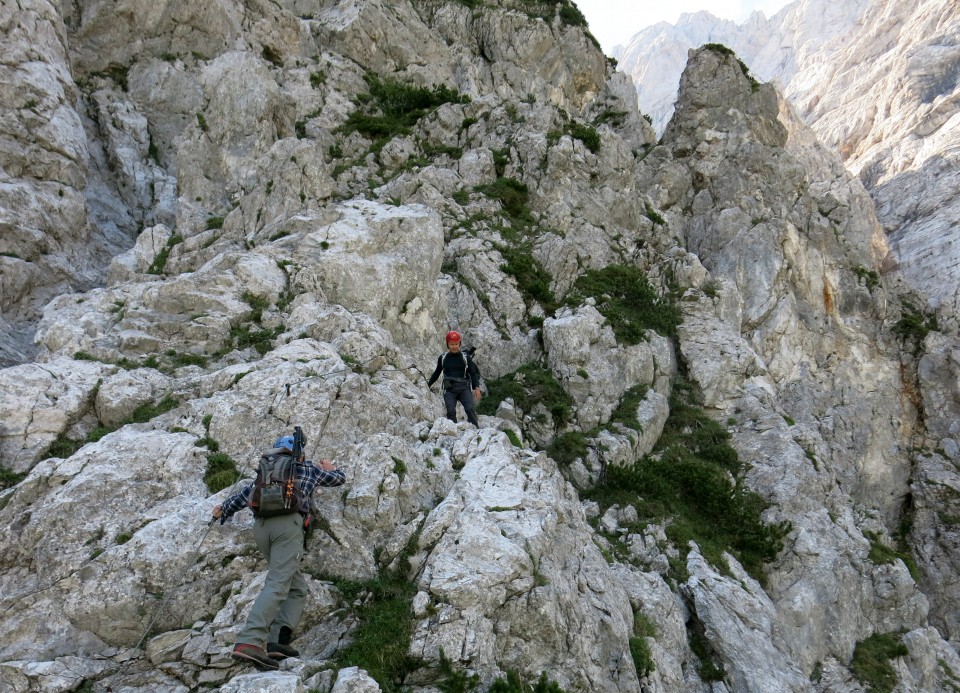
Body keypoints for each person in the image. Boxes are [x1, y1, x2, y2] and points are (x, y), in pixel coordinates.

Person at [212, 432, 345, 670]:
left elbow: (242, 497)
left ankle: (277, 641)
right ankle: (250, 641)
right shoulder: (306, 469)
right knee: (277, 583)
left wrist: (222, 510)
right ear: (299, 451)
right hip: (288, 527)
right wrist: (332, 467)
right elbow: (338, 479)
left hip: (262, 529)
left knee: (296, 587)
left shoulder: (265, 474)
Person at [427, 330, 482, 427]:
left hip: (464, 388)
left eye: (456, 344)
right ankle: (453, 430)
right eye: (451, 344)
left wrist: (477, 388)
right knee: (451, 411)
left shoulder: (466, 357)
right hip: (449, 390)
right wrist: (428, 385)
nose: (454, 346)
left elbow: (473, 373)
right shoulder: (443, 358)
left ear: (459, 343)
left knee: (469, 409)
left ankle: (476, 429)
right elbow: (436, 373)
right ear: (447, 344)